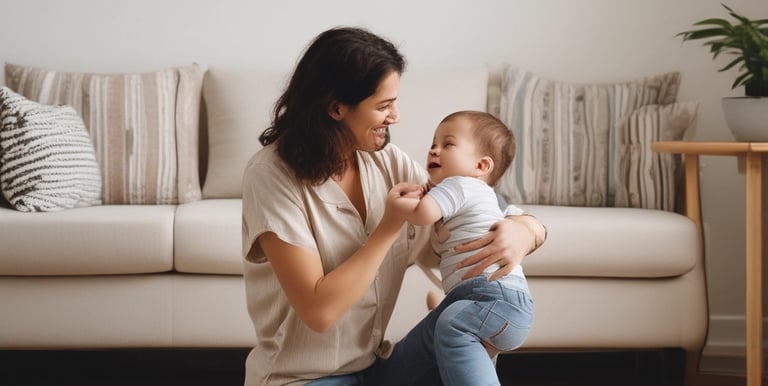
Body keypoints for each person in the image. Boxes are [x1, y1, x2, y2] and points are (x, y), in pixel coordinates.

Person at [241, 26, 546, 386]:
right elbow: (319, 312)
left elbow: (474, 200)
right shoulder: (271, 175)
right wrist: (388, 227)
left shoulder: (387, 163)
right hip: (302, 377)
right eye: (384, 105)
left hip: (375, 369)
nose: (396, 116)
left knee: (453, 326)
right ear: (336, 107)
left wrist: (528, 230)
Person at [387, 110, 535, 386]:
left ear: (481, 166)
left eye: (448, 144)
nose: (434, 150)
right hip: (496, 303)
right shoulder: (479, 196)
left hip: (492, 296)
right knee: (455, 333)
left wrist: (402, 203)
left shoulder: (459, 184)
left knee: (452, 323)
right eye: (433, 143)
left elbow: (422, 215)